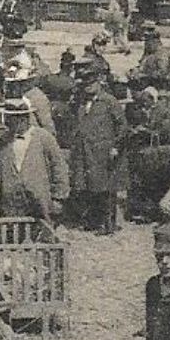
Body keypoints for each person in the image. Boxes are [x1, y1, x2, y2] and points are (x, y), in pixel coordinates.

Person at [67, 61, 128, 234]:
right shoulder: (81, 101)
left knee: (105, 189)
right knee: (89, 187)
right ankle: (94, 221)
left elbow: (122, 126)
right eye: (85, 84)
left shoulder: (109, 101)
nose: (87, 87)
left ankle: (108, 224)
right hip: (85, 151)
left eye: (91, 84)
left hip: (103, 153)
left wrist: (116, 146)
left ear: (98, 83)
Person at [0, 98, 68, 222]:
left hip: (39, 201)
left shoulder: (44, 138)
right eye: (9, 118)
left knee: (42, 235)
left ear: (25, 118)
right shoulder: (3, 141)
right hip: (11, 202)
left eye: (15, 118)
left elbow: (59, 167)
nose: (10, 122)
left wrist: (58, 197)